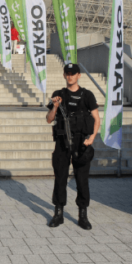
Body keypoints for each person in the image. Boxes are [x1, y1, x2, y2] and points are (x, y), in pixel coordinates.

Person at [46, 63, 101, 230]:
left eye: (73, 73)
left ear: (79, 75)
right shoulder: (58, 95)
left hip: (81, 142)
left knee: (82, 180)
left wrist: (92, 137)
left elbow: (97, 119)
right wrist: (55, 107)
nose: (70, 76)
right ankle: (59, 213)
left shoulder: (87, 95)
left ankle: (82, 215)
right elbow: (49, 119)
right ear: (64, 75)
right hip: (62, 142)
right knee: (60, 178)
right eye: (67, 73)